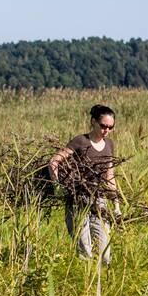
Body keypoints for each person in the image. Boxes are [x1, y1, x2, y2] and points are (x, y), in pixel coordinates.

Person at [48, 104, 119, 265]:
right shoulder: (80, 141)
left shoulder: (109, 145)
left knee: (105, 255)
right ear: (93, 122)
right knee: (84, 252)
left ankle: (100, 285)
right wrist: (57, 186)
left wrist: (116, 204)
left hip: (99, 201)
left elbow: (110, 175)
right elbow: (54, 161)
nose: (106, 130)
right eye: (103, 126)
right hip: (77, 201)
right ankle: (85, 285)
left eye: (110, 127)